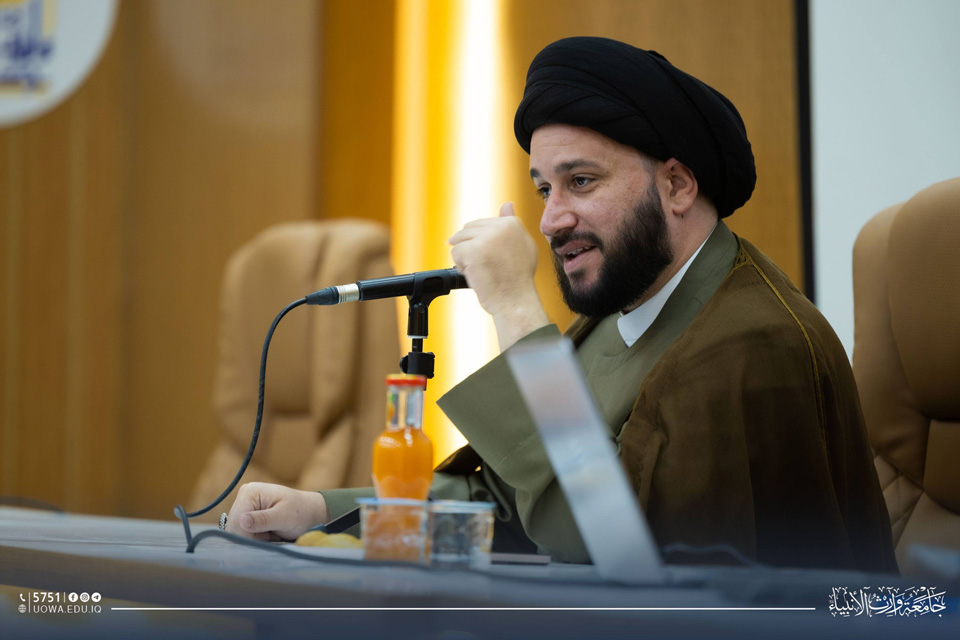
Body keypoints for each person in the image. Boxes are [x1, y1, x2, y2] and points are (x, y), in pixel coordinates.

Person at [224, 37, 897, 572]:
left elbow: (619, 551)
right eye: (545, 189)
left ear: (677, 186)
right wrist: (321, 510)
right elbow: (512, 501)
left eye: (581, 181)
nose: (550, 221)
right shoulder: (620, 313)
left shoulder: (748, 342)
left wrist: (517, 309)